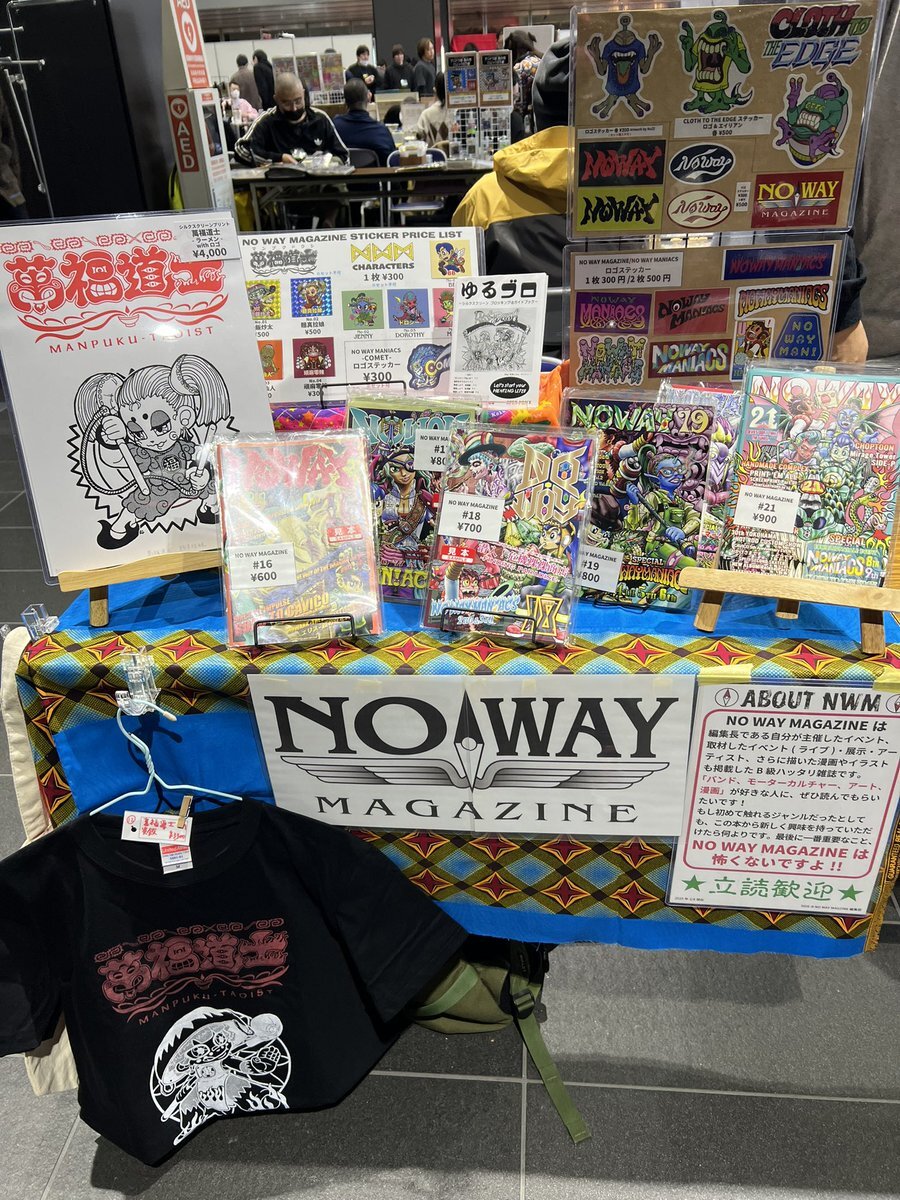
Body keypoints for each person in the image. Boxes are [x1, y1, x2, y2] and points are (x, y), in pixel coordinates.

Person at [454, 38, 868, 360]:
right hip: (630, 373)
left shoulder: (483, 197)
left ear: (536, 110)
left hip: (515, 374)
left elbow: (456, 300)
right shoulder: (665, 193)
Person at [234, 73, 348, 165]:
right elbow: (240, 150)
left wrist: (326, 164)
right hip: (280, 184)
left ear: (303, 94)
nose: (294, 108)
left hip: (320, 183)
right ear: (276, 99)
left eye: (298, 101)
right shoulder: (266, 121)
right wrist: (278, 159)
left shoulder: (320, 119)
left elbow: (344, 156)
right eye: (286, 103)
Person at [333, 78, 396, 165]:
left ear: (345, 101)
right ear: (368, 97)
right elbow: (391, 161)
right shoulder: (381, 131)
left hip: (343, 173)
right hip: (377, 173)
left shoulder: (334, 127)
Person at [505, 28, 541, 132]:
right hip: (540, 118)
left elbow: (518, 103)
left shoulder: (519, 68)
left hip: (527, 123)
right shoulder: (539, 60)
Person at [414, 71, 451, 147]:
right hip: (459, 153)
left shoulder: (426, 114)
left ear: (435, 90)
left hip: (431, 154)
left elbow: (418, 139)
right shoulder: (460, 112)